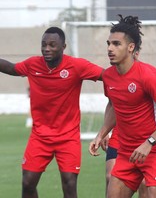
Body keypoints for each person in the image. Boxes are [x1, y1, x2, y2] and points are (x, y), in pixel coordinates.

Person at [0, 26, 104, 198]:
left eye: (52, 45)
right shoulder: (33, 64)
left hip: (68, 137)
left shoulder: (77, 66)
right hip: (40, 136)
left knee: (69, 184)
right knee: (27, 183)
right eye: (44, 44)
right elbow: (11, 68)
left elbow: (106, 76)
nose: (47, 49)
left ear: (63, 47)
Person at [89, 14, 156, 198]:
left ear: (131, 48)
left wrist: (148, 143)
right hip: (126, 154)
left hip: (154, 152)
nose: (110, 48)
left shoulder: (147, 75)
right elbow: (115, 105)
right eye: (108, 43)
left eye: (116, 44)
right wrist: (102, 133)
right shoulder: (108, 76)